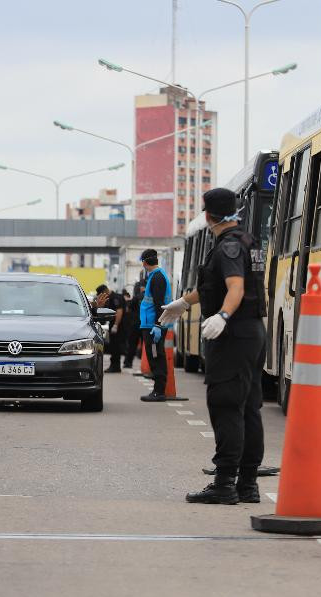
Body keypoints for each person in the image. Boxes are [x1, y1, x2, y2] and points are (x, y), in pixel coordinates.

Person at [159, 188, 267, 505]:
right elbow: (214, 286)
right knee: (249, 408)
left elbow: (235, 287)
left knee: (226, 406)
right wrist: (183, 302)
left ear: (207, 216)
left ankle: (224, 484)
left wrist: (222, 315)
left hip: (232, 335)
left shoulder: (227, 248)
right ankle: (247, 485)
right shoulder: (247, 241)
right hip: (252, 333)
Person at [138, 249, 172, 402]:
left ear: (144, 262)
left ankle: (159, 391)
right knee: (155, 356)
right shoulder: (156, 276)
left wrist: (158, 325)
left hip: (153, 326)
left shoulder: (157, 278)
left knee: (156, 356)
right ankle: (158, 390)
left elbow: (160, 304)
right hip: (151, 325)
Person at [95, 284, 125, 373]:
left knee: (116, 347)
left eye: (102, 295)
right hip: (115, 325)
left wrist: (116, 325)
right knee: (113, 346)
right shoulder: (111, 298)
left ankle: (115, 366)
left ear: (105, 292)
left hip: (119, 326)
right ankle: (115, 366)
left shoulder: (115, 298)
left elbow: (119, 311)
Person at [123, 287, 140, 369]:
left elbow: (129, 308)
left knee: (132, 345)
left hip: (135, 324)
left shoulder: (136, 298)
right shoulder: (148, 296)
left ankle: (128, 362)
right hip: (146, 324)